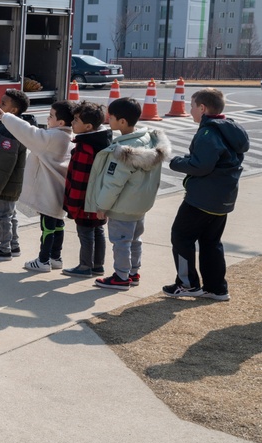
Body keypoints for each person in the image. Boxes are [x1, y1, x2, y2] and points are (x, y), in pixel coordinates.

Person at [163, 88, 249, 300]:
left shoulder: (208, 132)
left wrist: (176, 162)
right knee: (211, 242)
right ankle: (217, 288)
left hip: (201, 198)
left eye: (191, 106)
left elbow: (201, 166)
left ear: (202, 108)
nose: (189, 110)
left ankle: (187, 284)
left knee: (181, 236)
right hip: (223, 197)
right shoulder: (231, 127)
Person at [85, 97, 170, 290]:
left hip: (122, 206)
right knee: (135, 240)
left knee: (121, 242)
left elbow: (113, 183)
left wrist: (102, 205)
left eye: (111, 117)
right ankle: (133, 272)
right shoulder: (148, 140)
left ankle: (121, 277)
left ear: (122, 121)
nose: (108, 120)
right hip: (140, 204)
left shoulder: (123, 152)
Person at [0, 100, 75, 272]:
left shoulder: (51, 138)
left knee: (47, 227)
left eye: (51, 116)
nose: (48, 119)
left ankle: (43, 260)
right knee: (58, 224)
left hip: (48, 192)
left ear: (61, 123)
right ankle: (56, 257)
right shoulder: (69, 137)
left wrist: (7, 117)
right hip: (60, 192)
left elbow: (28, 132)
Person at [61, 101, 113, 277]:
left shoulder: (85, 148)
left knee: (85, 233)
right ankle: (98, 265)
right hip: (98, 199)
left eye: (76, 120)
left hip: (83, 201)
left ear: (88, 126)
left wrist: (73, 206)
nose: (72, 123)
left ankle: (85, 266)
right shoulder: (102, 143)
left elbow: (79, 180)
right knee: (98, 230)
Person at [0, 89, 30, 260]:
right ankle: (13, 246)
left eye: (3, 104)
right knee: (11, 215)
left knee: (3, 216)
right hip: (11, 183)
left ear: (14, 110)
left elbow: (4, 166)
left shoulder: (10, 131)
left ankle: (4, 249)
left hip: (6, 183)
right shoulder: (12, 126)